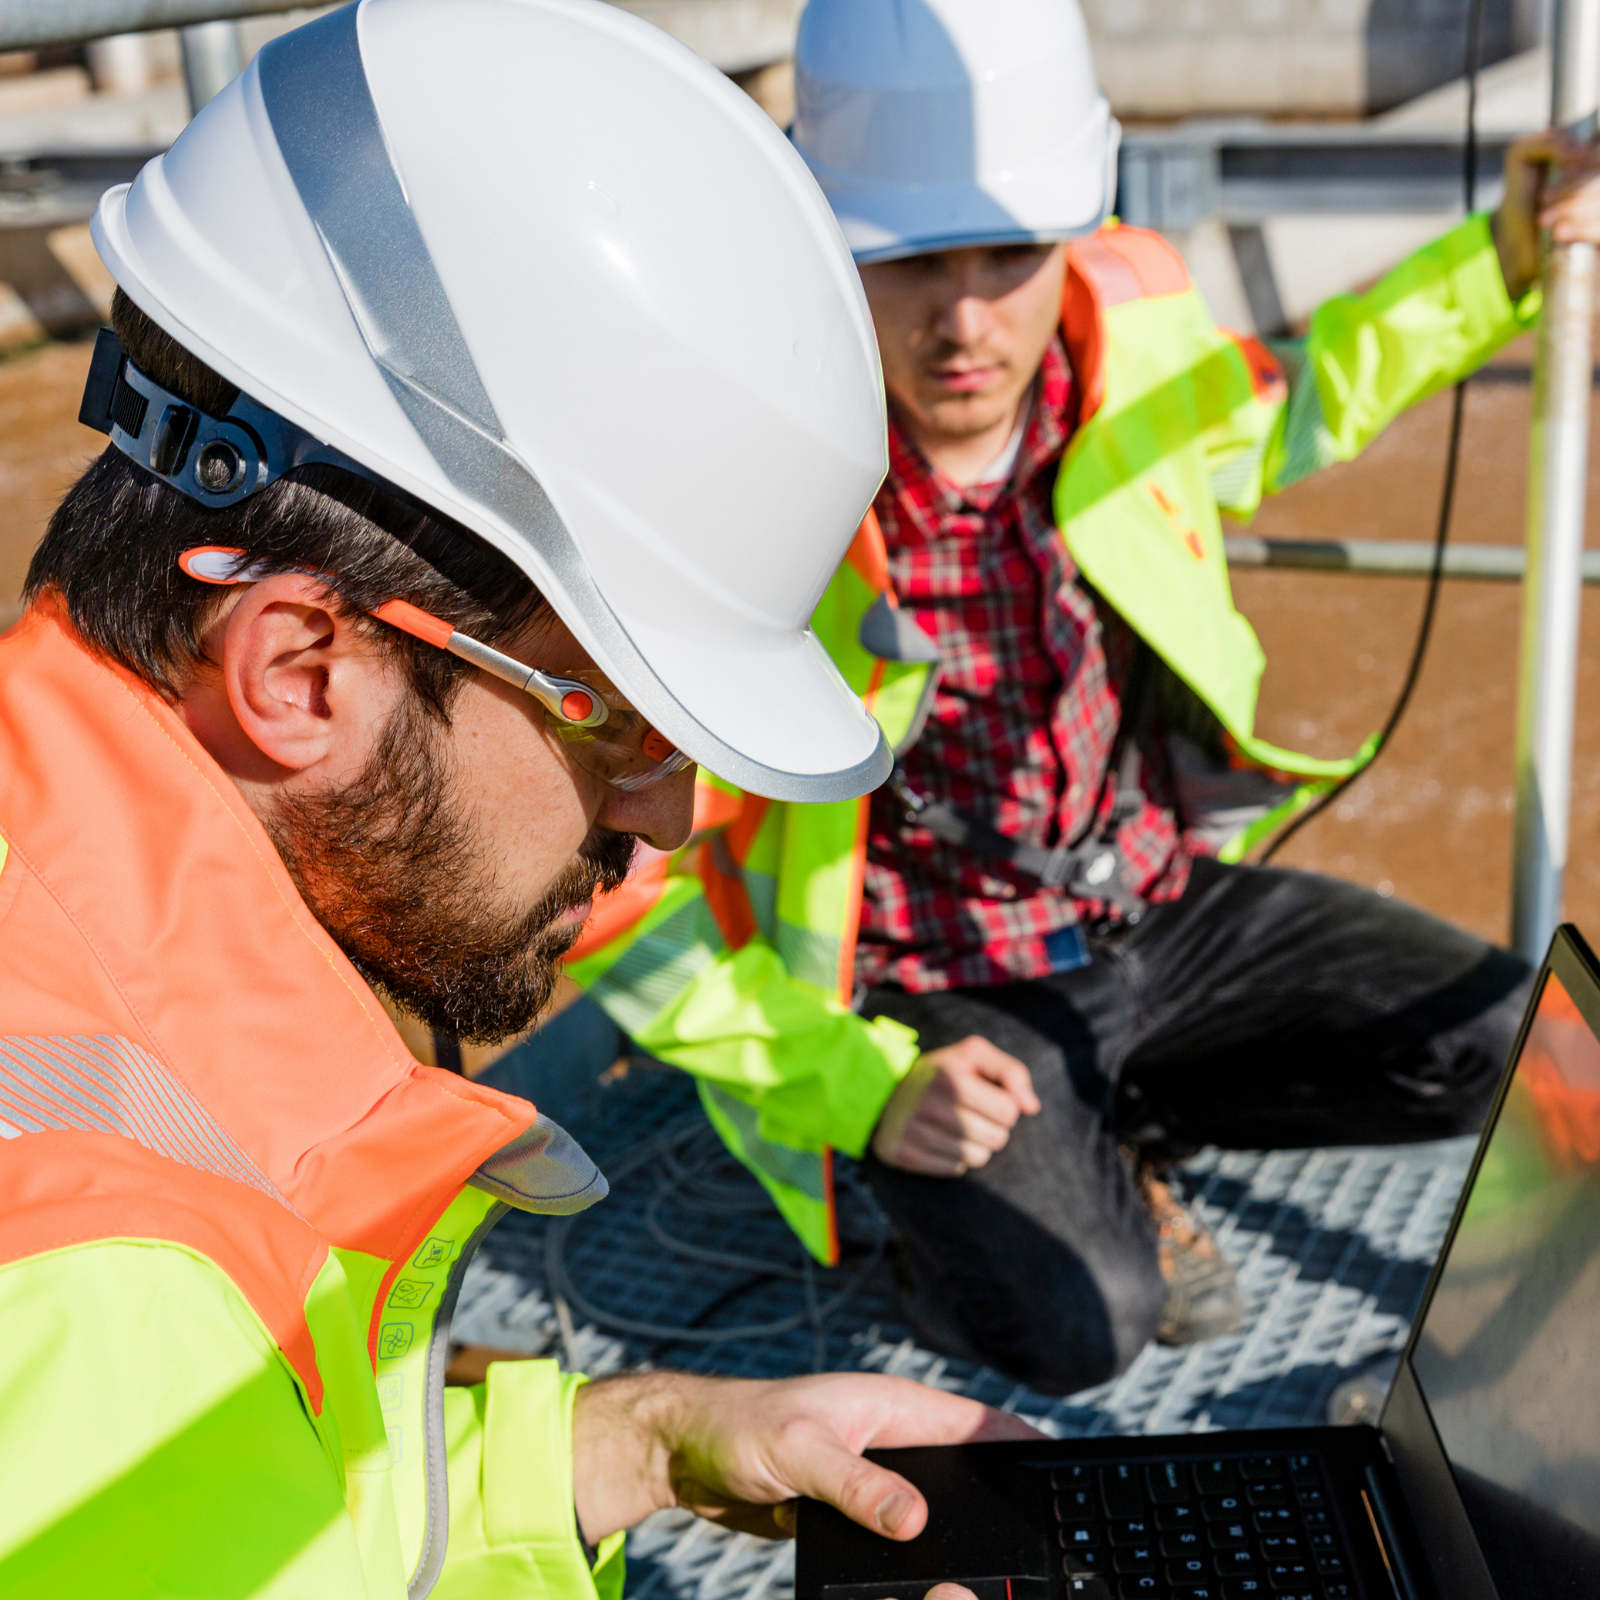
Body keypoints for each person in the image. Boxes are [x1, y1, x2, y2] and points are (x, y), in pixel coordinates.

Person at [0, 4, 1040, 1596]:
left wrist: (621, 1442)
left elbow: (279, 1524)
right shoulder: (104, 1290)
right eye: (618, 724)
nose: (671, 821)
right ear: (301, 673)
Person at [567, 0, 1600, 1396]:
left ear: (1076, 233)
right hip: (929, 986)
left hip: (1153, 908)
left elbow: (1297, 406)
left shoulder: (1136, 327)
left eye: (1014, 251)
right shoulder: (730, 484)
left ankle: (1109, 1128)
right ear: (825, 255)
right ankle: (960, 1208)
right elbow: (613, 900)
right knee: (1077, 1324)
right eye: (914, 260)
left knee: (1502, 1037)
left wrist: (1506, 262)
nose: (970, 317)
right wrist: (859, 1087)